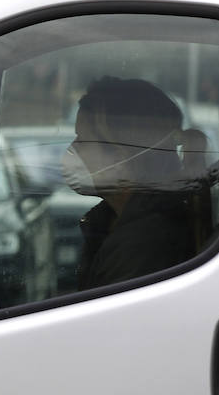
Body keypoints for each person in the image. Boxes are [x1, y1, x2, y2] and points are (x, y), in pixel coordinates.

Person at [62, 76, 203, 291]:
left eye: (82, 140)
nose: (73, 148)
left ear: (122, 156)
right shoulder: (119, 221)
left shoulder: (145, 245)